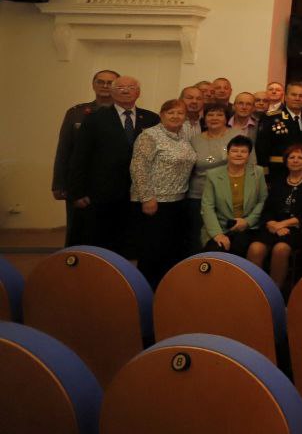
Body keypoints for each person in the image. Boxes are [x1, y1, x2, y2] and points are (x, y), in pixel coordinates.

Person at [68, 75, 159, 256]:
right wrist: (77, 191)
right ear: (112, 92)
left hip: (137, 192)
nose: (126, 91)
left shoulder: (151, 118)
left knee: (133, 243)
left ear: (138, 92)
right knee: (103, 243)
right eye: (120, 88)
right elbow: (80, 156)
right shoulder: (95, 119)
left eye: (131, 87)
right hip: (103, 193)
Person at [129, 98, 198, 286]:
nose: (176, 116)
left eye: (180, 113)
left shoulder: (183, 136)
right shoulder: (149, 136)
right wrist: (147, 197)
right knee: (153, 252)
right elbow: (138, 168)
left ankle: (167, 289)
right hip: (154, 202)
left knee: (171, 250)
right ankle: (146, 291)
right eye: (171, 112)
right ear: (161, 115)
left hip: (178, 201)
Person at [52, 68, 118, 246]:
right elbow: (64, 149)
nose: (105, 86)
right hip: (80, 182)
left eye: (110, 82)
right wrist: (59, 183)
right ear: (93, 85)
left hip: (112, 185)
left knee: (110, 234)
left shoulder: (124, 114)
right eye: (100, 82)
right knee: (78, 232)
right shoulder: (77, 113)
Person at [247, 143, 302, 290]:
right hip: (274, 226)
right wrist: (272, 224)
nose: (295, 160)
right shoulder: (278, 181)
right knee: (255, 248)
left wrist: (283, 224)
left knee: (280, 249)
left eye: (300, 157)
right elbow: (268, 208)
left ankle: (273, 292)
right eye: (291, 157)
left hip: (298, 228)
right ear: (286, 160)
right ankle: (253, 290)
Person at [201, 134, 269, 260]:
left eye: (243, 151)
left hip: (248, 228)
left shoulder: (257, 172)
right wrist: (218, 234)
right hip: (220, 227)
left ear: (249, 155)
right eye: (234, 151)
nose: (239, 154)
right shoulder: (213, 175)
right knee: (215, 252)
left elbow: (262, 200)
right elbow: (207, 207)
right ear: (228, 153)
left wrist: (247, 222)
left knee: (239, 247)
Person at [189, 103, 235, 252]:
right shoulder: (195, 140)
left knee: (221, 239)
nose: (214, 118)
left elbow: (249, 165)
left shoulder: (237, 136)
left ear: (226, 118)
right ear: (204, 117)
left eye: (219, 115)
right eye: (210, 114)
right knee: (197, 237)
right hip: (198, 194)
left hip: (226, 195)